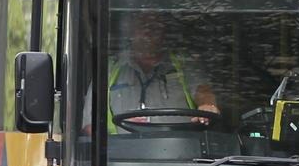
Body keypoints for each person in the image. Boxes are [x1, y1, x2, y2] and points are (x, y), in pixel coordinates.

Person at [83, 13, 218, 134]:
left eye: (155, 27)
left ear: (164, 32)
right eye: (142, 25)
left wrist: (207, 105)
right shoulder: (108, 69)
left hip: (181, 156)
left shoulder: (184, 64)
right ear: (131, 30)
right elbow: (91, 126)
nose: (148, 31)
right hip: (120, 158)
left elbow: (202, 90)